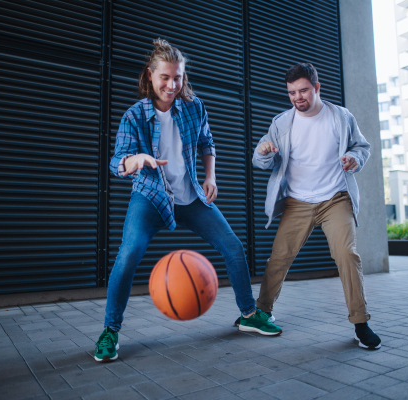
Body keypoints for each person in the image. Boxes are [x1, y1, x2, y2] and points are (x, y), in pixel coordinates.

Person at [94, 39, 282, 362]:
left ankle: (249, 315)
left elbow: (208, 143)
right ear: (151, 76)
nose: (172, 85)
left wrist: (210, 177)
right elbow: (116, 163)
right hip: (151, 197)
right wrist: (136, 160)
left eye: (178, 77)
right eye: (165, 77)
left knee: (233, 247)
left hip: (190, 195)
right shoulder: (135, 116)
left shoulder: (194, 107)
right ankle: (110, 331)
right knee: (127, 255)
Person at [251, 62, 381, 350]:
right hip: (297, 202)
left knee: (347, 255)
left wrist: (355, 159)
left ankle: (360, 322)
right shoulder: (282, 123)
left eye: (304, 91)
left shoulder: (341, 117)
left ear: (317, 87)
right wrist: (262, 152)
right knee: (278, 258)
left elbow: (362, 147)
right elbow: (260, 159)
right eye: (292, 92)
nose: (298, 97)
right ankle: (262, 312)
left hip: (335, 198)